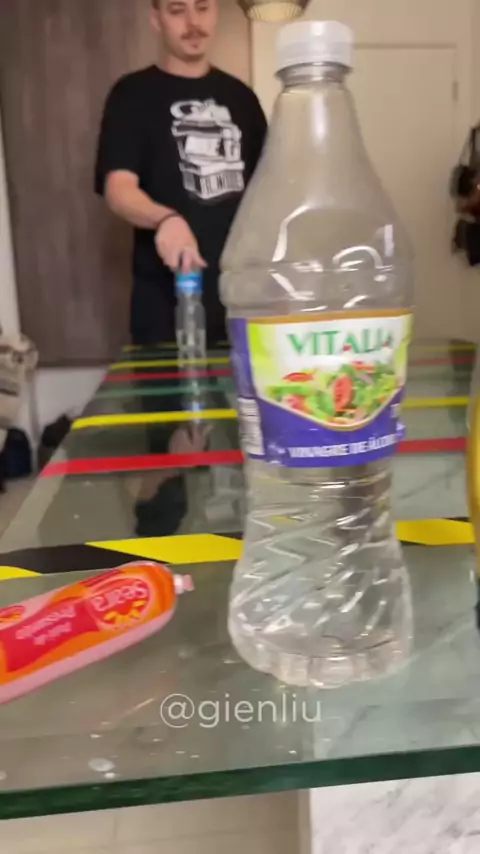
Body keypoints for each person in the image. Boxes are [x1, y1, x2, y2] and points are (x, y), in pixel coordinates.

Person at [95, 0, 267, 346]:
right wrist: (166, 219)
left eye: (202, 8)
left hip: (244, 307)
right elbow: (118, 188)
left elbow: (271, 191)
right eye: (177, 10)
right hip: (165, 315)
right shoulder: (131, 95)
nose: (193, 22)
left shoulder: (242, 99)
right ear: (156, 19)